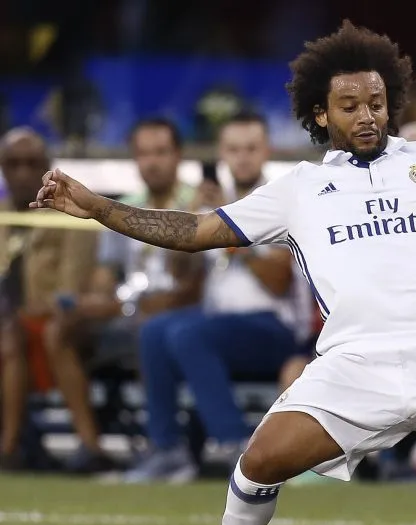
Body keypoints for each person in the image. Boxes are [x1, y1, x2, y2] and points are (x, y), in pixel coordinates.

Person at [33, 21, 416, 525]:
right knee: (257, 463)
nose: (367, 116)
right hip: (354, 366)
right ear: (321, 115)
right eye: (350, 106)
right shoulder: (300, 188)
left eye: (376, 103)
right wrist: (103, 209)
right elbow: (196, 231)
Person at [120, 111, 304, 483]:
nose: (243, 157)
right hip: (219, 326)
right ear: (221, 153)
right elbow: (178, 274)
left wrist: (232, 226)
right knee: (155, 331)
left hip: (274, 327)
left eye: (251, 148)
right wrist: (191, 217)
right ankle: (168, 449)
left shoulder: (283, 200)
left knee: (187, 334)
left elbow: (278, 282)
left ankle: (236, 446)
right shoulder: (212, 203)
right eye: (234, 149)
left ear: (266, 150)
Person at [44, 118, 202, 474]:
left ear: (178, 155)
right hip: (128, 313)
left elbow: (193, 285)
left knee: (152, 326)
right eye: (144, 153)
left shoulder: (198, 203)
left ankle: (166, 447)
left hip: (173, 314)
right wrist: (89, 300)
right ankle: (91, 445)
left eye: (161, 152)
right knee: (61, 328)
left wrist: (124, 306)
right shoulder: (123, 206)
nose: (152, 162)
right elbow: (104, 275)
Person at [0, 127, 96, 471]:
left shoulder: (70, 213)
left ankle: (8, 450)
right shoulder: (2, 216)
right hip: (9, 321)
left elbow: (72, 286)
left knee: (11, 335)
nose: (22, 172)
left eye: (31, 163)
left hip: (57, 319)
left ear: (46, 165)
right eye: (13, 163)